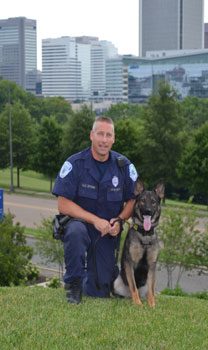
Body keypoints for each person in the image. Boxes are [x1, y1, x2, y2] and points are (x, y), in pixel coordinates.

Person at [52, 116, 138, 304]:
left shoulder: (123, 166)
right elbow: (63, 203)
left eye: (108, 135)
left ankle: (106, 275)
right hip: (81, 226)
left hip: (106, 233)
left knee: (98, 291)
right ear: (92, 135)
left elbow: (133, 199)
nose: (104, 140)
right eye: (100, 134)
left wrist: (120, 220)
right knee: (75, 231)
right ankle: (73, 285)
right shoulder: (75, 164)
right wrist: (93, 220)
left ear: (114, 138)